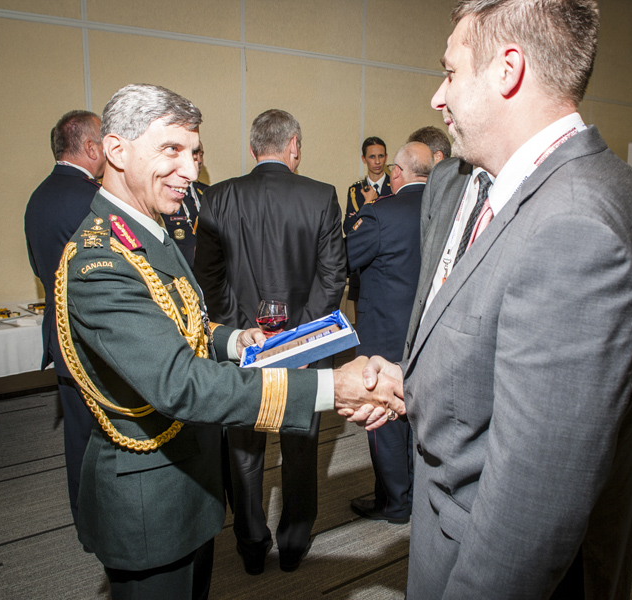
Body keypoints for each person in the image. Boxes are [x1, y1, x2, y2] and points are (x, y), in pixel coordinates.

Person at [363, 2, 632, 598]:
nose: (437, 95)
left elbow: (530, 517)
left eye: (451, 72)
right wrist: (417, 382)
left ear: (508, 70)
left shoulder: (577, 230)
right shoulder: (489, 184)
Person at [55, 83, 403, 600]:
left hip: (188, 487)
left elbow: (187, 316)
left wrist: (238, 339)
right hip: (150, 503)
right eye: (171, 150)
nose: (190, 170)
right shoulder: (102, 260)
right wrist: (333, 384)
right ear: (116, 150)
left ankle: (251, 540)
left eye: (193, 152)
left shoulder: (148, 231)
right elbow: (181, 384)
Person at [194, 109, 346, 575]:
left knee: (243, 451)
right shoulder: (321, 195)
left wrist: (242, 334)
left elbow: (209, 279)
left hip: (244, 346)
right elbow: (332, 278)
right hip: (304, 351)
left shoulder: (217, 197)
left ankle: (251, 544)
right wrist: (301, 342)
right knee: (300, 446)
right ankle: (294, 543)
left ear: (253, 148)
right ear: (293, 145)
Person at [24, 109, 105, 526]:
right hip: (96, 339)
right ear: (90, 147)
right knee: (109, 437)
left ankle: (83, 515)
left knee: (78, 436)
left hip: (62, 336)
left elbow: (41, 268)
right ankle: (108, 519)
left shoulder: (38, 197)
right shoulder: (93, 200)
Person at [345, 142, 433, 523]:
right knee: (416, 416)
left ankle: (395, 502)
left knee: (383, 419)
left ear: (397, 173)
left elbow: (345, 258)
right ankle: (416, 493)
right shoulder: (445, 210)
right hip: (428, 331)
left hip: (383, 333)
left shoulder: (380, 212)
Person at [344, 137, 392, 315]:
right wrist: (367, 204)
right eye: (372, 157)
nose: (377, 161)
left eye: (381, 156)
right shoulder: (355, 190)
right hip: (362, 262)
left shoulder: (395, 186)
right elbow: (349, 228)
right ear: (364, 159)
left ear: (386, 157)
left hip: (387, 260)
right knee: (361, 316)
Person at [161, 141, 208, 268]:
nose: (199, 160)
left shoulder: (208, 193)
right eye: (194, 154)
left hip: (208, 271)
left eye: (201, 155)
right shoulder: (164, 193)